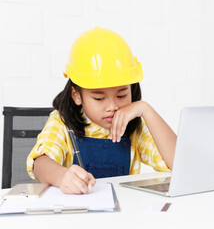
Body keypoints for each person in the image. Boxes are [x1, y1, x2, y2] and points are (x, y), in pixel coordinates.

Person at [26, 27, 177, 194]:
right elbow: (40, 164)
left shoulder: (135, 127)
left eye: (121, 95)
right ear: (76, 95)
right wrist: (62, 177)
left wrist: (146, 109)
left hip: (124, 213)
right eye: (99, 98)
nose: (112, 107)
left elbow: (178, 164)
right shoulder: (62, 122)